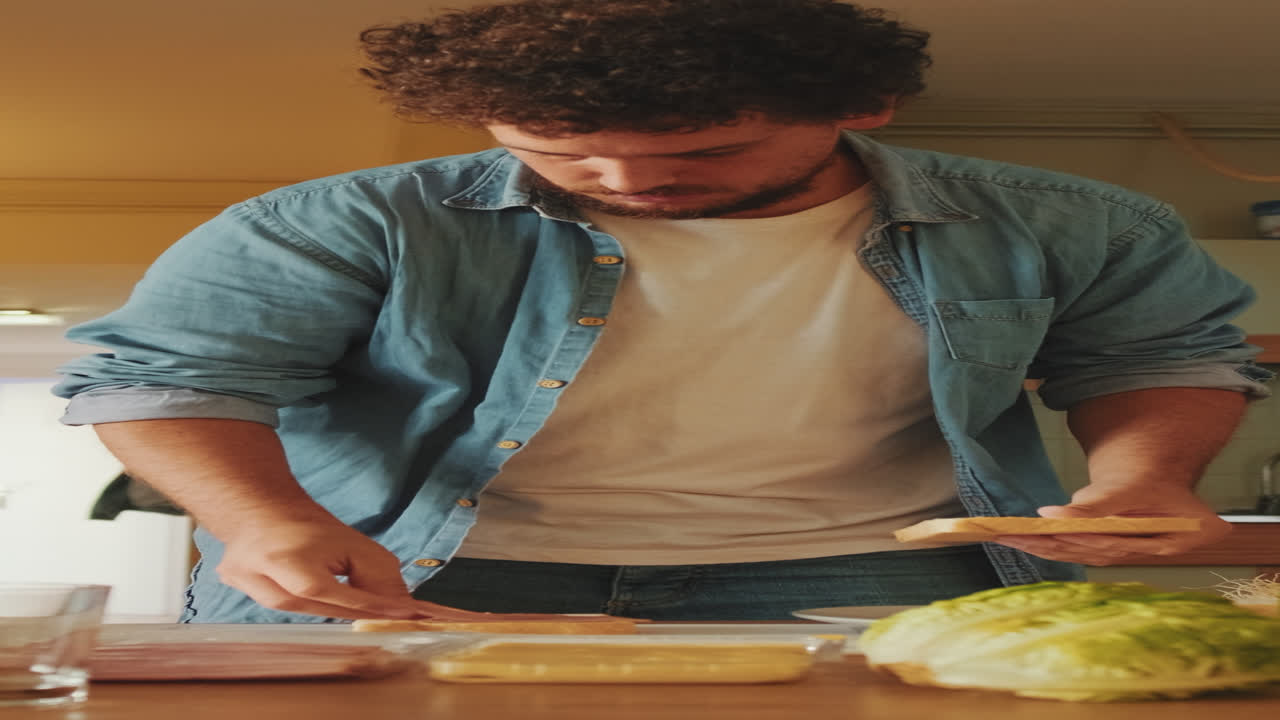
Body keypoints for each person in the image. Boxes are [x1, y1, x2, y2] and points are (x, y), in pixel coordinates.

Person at [54, 0, 1272, 624]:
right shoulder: (337, 220)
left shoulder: (1074, 220)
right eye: (560, 154)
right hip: (422, 573)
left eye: (706, 149)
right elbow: (167, 380)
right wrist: (257, 522)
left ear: (868, 105)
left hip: (869, 576)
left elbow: (1156, 355)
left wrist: (1144, 478)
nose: (632, 183)